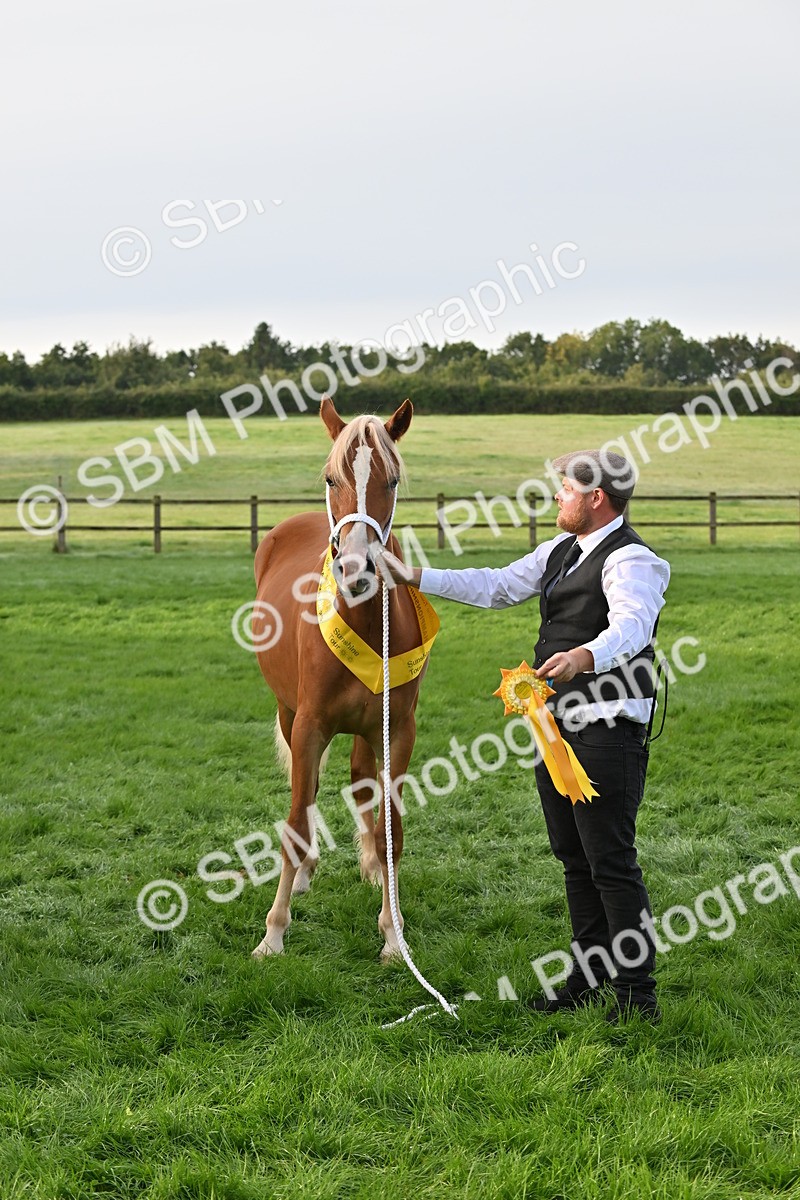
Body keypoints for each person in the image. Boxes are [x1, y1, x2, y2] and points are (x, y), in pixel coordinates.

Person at [380, 449, 670, 1022]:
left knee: (609, 859)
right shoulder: (561, 551)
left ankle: (638, 997)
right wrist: (409, 574)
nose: (556, 497)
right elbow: (495, 585)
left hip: (608, 727)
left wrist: (587, 654)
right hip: (555, 725)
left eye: (565, 489)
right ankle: (588, 975)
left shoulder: (633, 559)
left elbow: (632, 626)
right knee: (574, 856)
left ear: (595, 499)